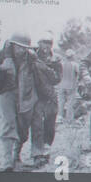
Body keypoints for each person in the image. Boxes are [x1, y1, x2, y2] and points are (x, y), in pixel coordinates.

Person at [0, 32, 41, 170]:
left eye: (24, 47)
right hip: (7, 92)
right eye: (19, 47)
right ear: (13, 45)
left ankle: (16, 157)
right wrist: (1, 69)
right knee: (9, 124)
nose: (21, 50)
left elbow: (38, 74)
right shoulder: (3, 54)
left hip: (25, 93)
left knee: (23, 127)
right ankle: (7, 161)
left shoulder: (31, 57)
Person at [29, 31, 62, 167]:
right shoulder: (30, 57)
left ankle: (46, 150)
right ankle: (37, 154)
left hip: (50, 96)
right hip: (35, 96)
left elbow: (57, 79)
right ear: (38, 43)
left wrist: (45, 68)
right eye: (43, 42)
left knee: (49, 125)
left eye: (49, 43)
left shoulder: (56, 60)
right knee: (36, 125)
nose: (46, 46)